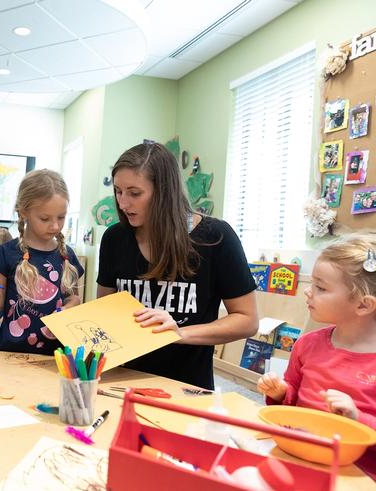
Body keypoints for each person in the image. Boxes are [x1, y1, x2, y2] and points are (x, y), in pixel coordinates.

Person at [96, 142, 258, 389]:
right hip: (121, 383)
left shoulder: (216, 237)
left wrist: (179, 333)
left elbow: (247, 320)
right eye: (118, 191)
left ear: (163, 191)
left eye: (134, 193)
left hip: (186, 386)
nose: (123, 203)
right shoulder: (114, 238)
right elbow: (103, 312)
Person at [257, 235, 376, 476]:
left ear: (363, 305)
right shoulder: (306, 344)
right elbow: (293, 400)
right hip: (298, 457)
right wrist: (281, 392)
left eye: (321, 288)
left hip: (357, 475)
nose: (308, 293)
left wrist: (357, 418)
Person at [0, 169, 84, 355]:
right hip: (10, 355)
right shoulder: (7, 252)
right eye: (45, 218)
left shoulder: (66, 254)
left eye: (61, 217)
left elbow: (74, 298)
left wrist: (66, 310)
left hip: (56, 357)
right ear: (23, 212)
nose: (55, 226)